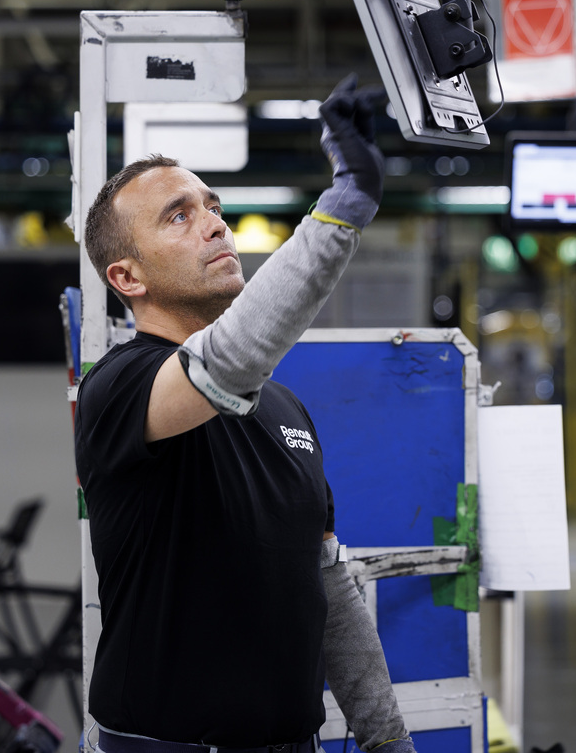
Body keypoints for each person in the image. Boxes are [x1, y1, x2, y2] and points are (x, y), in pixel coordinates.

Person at [73, 76, 416, 753]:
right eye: (179, 215)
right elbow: (223, 363)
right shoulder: (117, 391)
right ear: (126, 278)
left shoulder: (285, 410)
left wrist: (388, 742)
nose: (214, 221)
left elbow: (328, 590)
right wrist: (343, 206)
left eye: (213, 205)